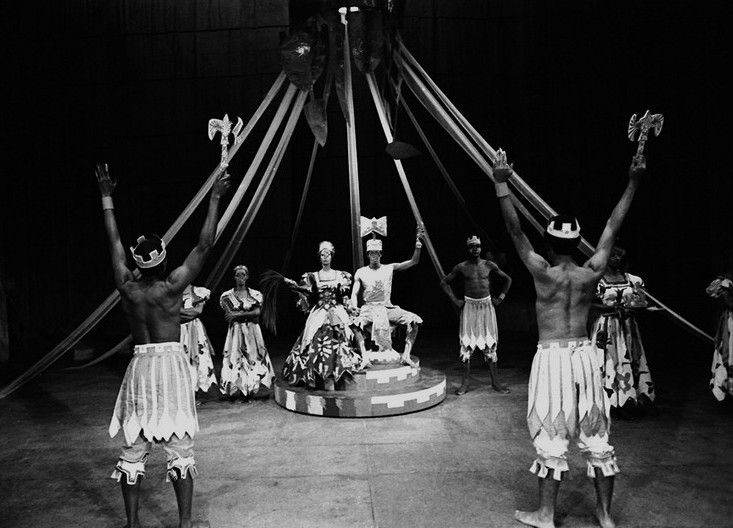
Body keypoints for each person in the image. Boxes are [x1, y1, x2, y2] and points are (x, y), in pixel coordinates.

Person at [494, 152, 646, 528]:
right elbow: (613, 225)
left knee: (552, 433)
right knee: (596, 435)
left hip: (552, 357)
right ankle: (605, 515)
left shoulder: (542, 271)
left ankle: (546, 514)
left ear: (547, 242)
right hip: (585, 355)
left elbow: (515, 232)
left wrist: (501, 183)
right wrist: (633, 181)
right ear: (579, 243)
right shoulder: (591, 271)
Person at [97, 162, 230, 528]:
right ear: (164, 259)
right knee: (179, 448)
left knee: (133, 449)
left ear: (138, 263)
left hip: (140, 366)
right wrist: (214, 198)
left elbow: (113, 244)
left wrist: (107, 198)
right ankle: (185, 523)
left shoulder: (127, 286)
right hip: (169, 365)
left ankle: (132, 523)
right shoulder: (171, 288)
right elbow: (205, 244)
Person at [281, 241, 363, 391]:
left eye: (328, 254)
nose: (325, 257)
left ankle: (339, 375)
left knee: (342, 335)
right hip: (319, 312)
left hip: (336, 311)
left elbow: (344, 297)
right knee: (312, 335)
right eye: (322, 254)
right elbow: (304, 295)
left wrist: (351, 308)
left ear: (332, 255)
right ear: (319, 256)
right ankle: (316, 376)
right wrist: (296, 288)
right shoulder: (312, 276)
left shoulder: (341, 275)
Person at [440, 235, 512, 395]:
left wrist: (501, 297)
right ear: (468, 249)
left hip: (486, 306)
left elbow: (508, 279)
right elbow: (444, 282)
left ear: (481, 248)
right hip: (469, 307)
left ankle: (496, 382)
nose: (475, 249)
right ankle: (465, 383)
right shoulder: (461, 267)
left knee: (490, 343)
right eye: (472, 246)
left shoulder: (489, 265)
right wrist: (455, 300)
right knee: (466, 345)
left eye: (477, 246)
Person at [590, 243, 654, 413]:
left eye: (620, 255)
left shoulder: (633, 279)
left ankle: (629, 400)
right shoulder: (597, 280)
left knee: (628, 358)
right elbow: (588, 303)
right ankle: (609, 401)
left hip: (628, 326)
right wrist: (609, 308)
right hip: (607, 326)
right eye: (613, 255)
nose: (617, 258)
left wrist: (637, 305)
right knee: (609, 361)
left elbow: (641, 301)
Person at [351, 229, 424, 367]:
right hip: (369, 309)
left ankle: (406, 355)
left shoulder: (389, 268)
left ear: (381, 253)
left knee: (415, 321)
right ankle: (365, 357)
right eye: (371, 252)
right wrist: (354, 307)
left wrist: (418, 246)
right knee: (354, 324)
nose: (374, 255)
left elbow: (413, 261)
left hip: (387, 308)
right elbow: (354, 293)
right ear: (367, 254)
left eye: (377, 252)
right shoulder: (361, 272)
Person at [219, 265, 275, 401]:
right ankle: (240, 391)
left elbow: (257, 312)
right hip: (236, 331)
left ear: (247, 277)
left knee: (253, 357)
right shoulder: (226, 296)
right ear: (234, 277)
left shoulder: (255, 294)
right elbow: (229, 314)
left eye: (243, 275)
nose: (240, 278)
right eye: (238, 275)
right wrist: (247, 314)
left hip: (252, 331)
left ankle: (250, 391)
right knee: (236, 357)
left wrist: (238, 315)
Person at [180, 284, 218, 403]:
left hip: (194, 329)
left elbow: (198, 310)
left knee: (197, 359)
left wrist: (180, 312)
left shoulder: (198, 292)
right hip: (179, 329)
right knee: (181, 359)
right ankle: (183, 394)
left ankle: (195, 393)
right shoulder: (173, 292)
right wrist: (189, 312)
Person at [707, 264, 733, 401]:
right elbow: (711, 291)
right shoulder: (726, 280)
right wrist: (724, 286)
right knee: (728, 356)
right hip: (730, 325)